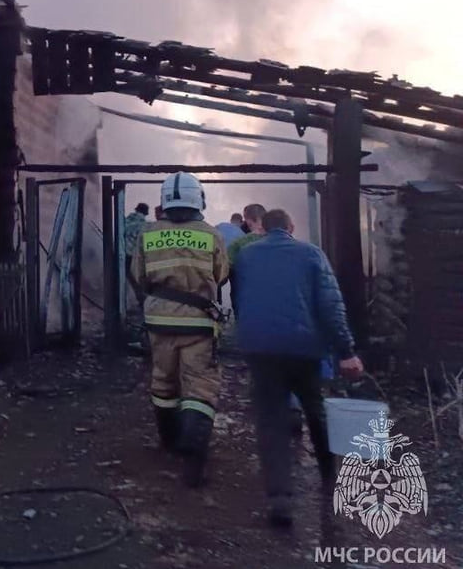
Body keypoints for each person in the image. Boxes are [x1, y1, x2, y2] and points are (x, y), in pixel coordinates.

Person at [231, 209, 364, 528]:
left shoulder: (247, 256)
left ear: (263, 228)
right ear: (291, 227)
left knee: (270, 422)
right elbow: (331, 305)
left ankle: (280, 500)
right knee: (316, 412)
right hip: (304, 349)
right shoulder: (311, 254)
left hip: (260, 348)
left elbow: (239, 298)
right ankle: (331, 481)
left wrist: (248, 333)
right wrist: (346, 351)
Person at [129, 172, 228, 488]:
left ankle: (168, 440)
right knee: (199, 384)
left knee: (163, 379)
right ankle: (194, 453)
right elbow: (221, 274)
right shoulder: (210, 235)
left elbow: (137, 275)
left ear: (164, 202)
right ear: (198, 200)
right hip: (198, 322)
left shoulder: (148, 234)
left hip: (158, 320)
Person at [123, 202, 149, 279]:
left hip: (119, 253)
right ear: (146, 213)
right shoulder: (144, 225)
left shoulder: (125, 220)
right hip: (132, 256)